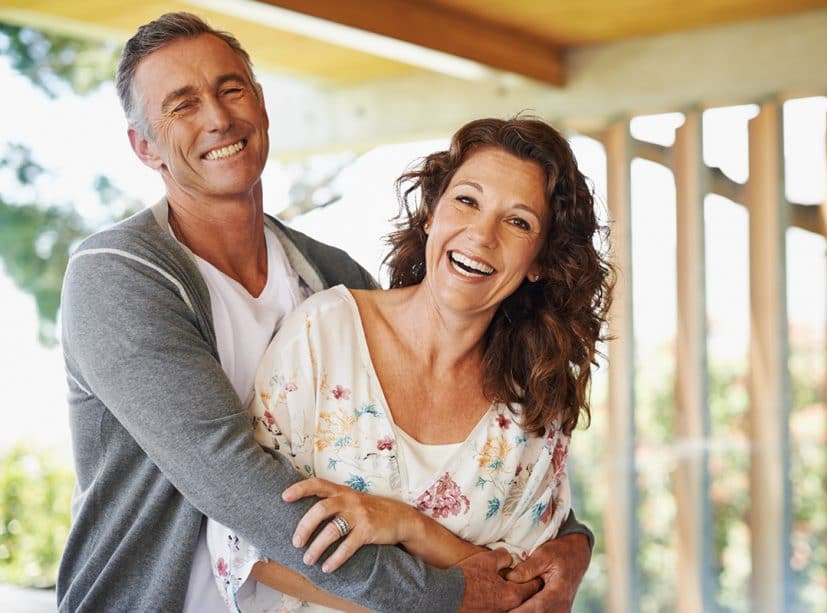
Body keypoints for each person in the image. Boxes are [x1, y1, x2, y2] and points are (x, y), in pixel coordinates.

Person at [56, 11, 595, 612]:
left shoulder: (329, 277)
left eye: (231, 88)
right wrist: (446, 593)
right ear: (144, 147)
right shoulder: (120, 277)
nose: (217, 116)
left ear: (260, 103)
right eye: (181, 105)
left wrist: (572, 545)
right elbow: (232, 480)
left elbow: (468, 479)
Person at [205, 116, 613, 613]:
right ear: (430, 214)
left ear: (540, 262)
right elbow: (242, 542)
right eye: (467, 200)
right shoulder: (324, 337)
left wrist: (405, 524)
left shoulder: (532, 407)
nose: (482, 235)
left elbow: (524, 592)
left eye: (518, 221)